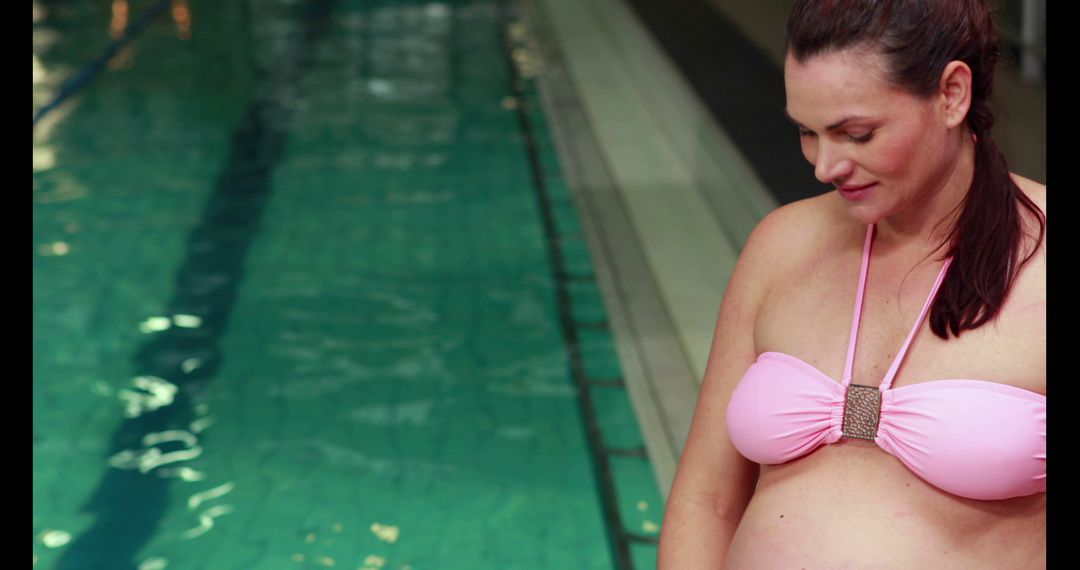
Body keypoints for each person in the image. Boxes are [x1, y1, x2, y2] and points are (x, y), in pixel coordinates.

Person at [657, 0, 1046, 567]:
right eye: (808, 133)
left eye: (856, 133)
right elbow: (707, 500)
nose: (824, 165)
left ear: (952, 95)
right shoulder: (782, 244)